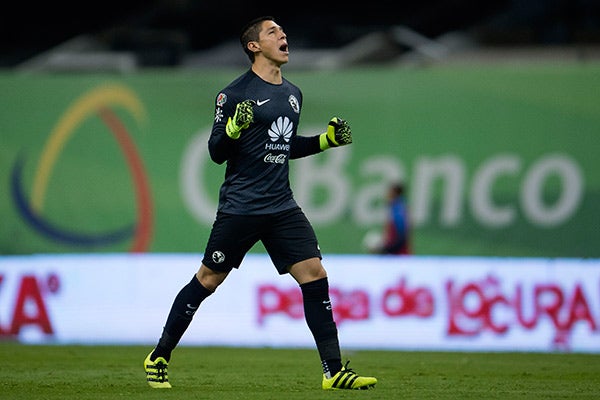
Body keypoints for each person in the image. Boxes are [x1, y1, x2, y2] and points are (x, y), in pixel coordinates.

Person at [143, 15, 377, 391]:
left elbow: (283, 146)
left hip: (281, 206)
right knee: (207, 280)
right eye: (273, 32)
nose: (283, 34)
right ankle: (159, 356)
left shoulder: (293, 93)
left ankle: (333, 373)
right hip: (241, 207)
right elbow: (217, 151)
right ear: (254, 46)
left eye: (283, 30)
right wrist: (233, 129)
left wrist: (325, 141)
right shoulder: (233, 94)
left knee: (315, 275)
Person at [365, 182, 411, 255]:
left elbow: (402, 238)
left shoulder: (398, 211)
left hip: (400, 257)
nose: (386, 195)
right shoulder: (395, 209)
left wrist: (385, 249)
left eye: (389, 193)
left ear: (395, 193)